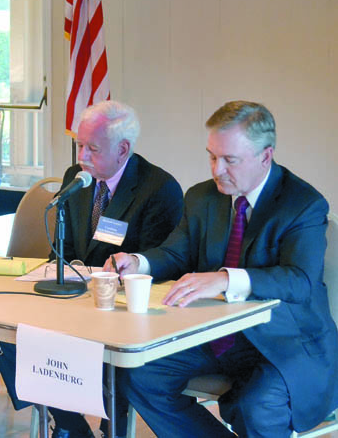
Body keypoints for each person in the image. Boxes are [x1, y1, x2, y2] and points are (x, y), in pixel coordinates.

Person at [108, 101, 338, 438]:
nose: (218, 170)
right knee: (138, 375)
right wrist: (138, 262)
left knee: (257, 405)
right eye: (212, 157)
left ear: (266, 156)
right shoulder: (201, 197)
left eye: (230, 160)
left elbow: (299, 281)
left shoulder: (301, 203)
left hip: (284, 340)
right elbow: (175, 253)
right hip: (214, 333)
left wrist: (225, 279)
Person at [0, 100, 184, 438]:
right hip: (75, 297)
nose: (82, 156)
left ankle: (112, 427)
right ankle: (70, 426)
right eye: (79, 145)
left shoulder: (158, 189)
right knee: (4, 333)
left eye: (92, 148)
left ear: (123, 149)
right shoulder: (77, 178)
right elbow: (64, 250)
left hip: (120, 310)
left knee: (101, 351)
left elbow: (160, 265)